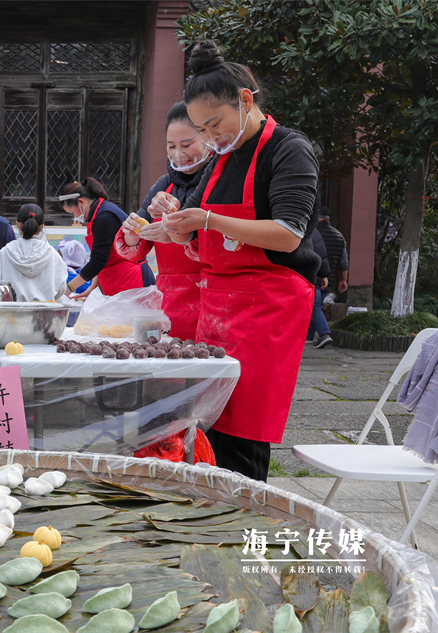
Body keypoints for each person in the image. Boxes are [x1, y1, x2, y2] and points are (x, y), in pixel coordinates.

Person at [132, 40, 320, 482]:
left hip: (267, 308)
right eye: (203, 129)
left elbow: (289, 233)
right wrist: (170, 224)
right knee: (206, 426)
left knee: (243, 433)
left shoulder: (289, 150)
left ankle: (244, 525)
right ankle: (210, 523)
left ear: (246, 100)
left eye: (214, 124)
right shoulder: (222, 159)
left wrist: (209, 219)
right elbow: (193, 225)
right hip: (215, 310)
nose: (211, 137)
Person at [116, 102, 212, 339]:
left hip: (215, 297)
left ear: (210, 140)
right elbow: (136, 244)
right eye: (171, 146)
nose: (179, 154)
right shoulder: (162, 186)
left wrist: (179, 234)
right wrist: (132, 231)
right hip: (171, 303)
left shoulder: (219, 182)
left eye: (187, 145)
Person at [59, 177, 154, 296]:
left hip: (131, 281)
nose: (75, 217)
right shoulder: (96, 215)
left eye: (72, 212)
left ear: (81, 202)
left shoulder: (105, 216)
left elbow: (97, 261)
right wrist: (91, 289)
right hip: (116, 281)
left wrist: (68, 289)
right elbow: (102, 256)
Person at [0, 204, 67, 302]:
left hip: (11, 315)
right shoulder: (53, 254)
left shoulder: (5, 252)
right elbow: (61, 289)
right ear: (42, 226)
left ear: (17, 224)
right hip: (44, 314)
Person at [307, 228, 333, 348]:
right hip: (316, 275)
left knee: (314, 307)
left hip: (306, 274)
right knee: (314, 306)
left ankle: (324, 334)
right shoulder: (316, 232)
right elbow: (322, 255)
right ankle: (309, 336)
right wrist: (324, 274)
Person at [316, 210, 349, 302]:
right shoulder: (339, 236)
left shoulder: (312, 234)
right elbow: (344, 260)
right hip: (329, 279)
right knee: (318, 306)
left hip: (313, 278)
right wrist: (344, 279)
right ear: (328, 219)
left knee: (315, 308)